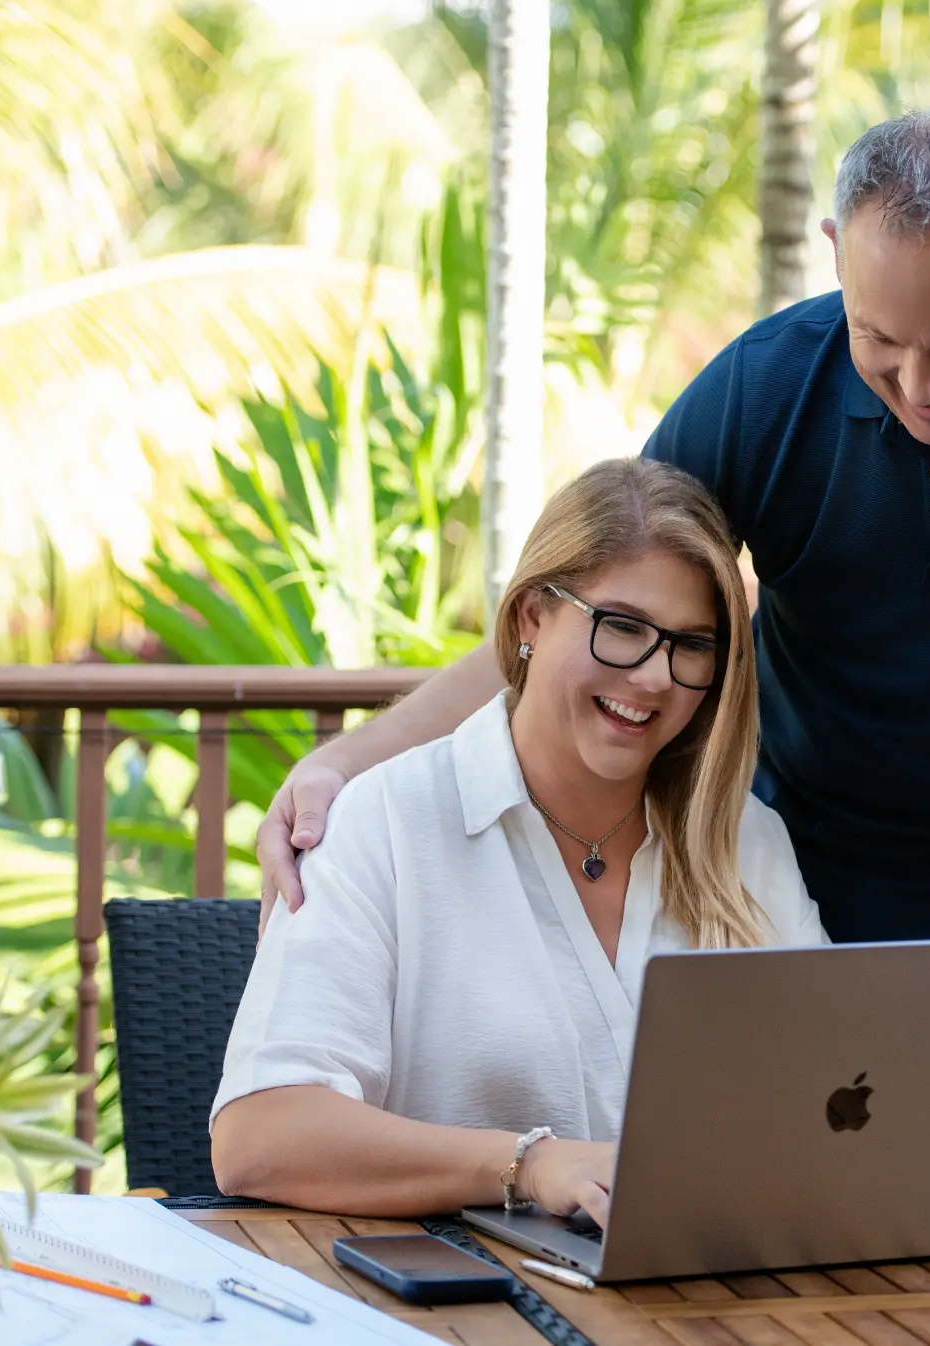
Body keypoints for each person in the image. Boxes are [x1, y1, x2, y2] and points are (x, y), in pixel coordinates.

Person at [256, 111, 930, 1201]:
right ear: (834, 256)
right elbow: (602, 589)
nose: (919, 385)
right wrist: (352, 766)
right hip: (800, 902)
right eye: (881, 339)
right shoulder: (772, 386)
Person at [211, 458, 827, 1221]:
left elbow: (830, 1099)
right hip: (459, 1312)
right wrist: (527, 1165)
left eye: (691, 644)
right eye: (622, 627)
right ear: (533, 615)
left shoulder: (744, 840)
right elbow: (259, 1135)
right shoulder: (386, 822)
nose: (654, 677)